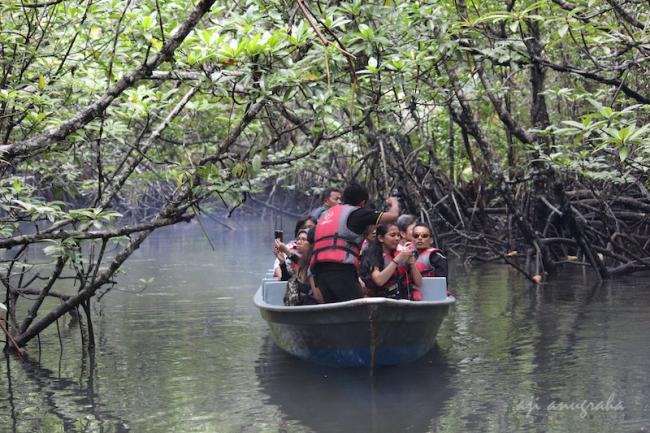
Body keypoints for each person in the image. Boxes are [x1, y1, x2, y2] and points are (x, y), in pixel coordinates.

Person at [310, 181, 400, 303]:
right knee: (357, 311)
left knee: (335, 311)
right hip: (340, 270)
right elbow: (393, 215)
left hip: (319, 271)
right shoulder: (358, 213)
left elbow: (313, 236)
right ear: (363, 203)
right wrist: (393, 202)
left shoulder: (327, 214)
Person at [359, 223, 423, 300]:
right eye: (393, 235)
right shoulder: (371, 255)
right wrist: (397, 259)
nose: (397, 238)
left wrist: (412, 264)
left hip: (402, 297)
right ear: (380, 238)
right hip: (380, 299)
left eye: (398, 235)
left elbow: (418, 282)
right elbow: (379, 281)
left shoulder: (401, 253)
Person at [278, 229, 324, 305]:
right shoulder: (302, 262)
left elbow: (319, 299)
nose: (298, 242)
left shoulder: (313, 263)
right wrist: (282, 262)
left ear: (311, 243)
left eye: (303, 239)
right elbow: (287, 279)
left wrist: (287, 251)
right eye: (298, 239)